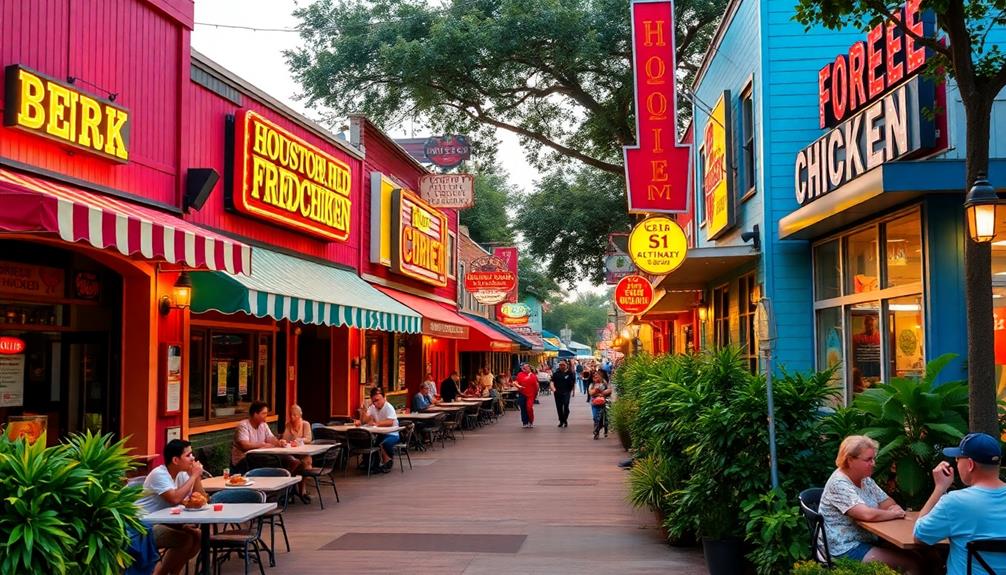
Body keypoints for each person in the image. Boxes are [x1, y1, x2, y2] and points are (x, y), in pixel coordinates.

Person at [819, 436, 924, 574]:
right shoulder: (839, 483)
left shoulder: (865, 480)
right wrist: (893, 513)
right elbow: (865, 514)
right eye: (868, 459)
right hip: (844, 548)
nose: (874, 463)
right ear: (850, 460)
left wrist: (891, 509)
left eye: (873, 458)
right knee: (912, 564)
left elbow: (889, 503)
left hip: (868, 539)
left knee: (924, 557)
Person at [914, 432, 1006, 575]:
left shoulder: (955, 502)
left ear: (970, 464)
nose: (956, 463)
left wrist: (939, 488)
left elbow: (920, 537)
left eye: (957, 459)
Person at [136, 439, 204, 575]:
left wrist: (195, 477)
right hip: (143, 526)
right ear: (175, 460)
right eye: (188, 455)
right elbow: (175, 498)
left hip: (164, 521)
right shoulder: (159, 474)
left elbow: (201, 498)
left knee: (198, 535)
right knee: (185, 540)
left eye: (192, 454)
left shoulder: (183, 474)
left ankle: (174, 572)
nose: (193, 458)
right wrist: (194, 475)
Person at [231, 401, 294, 474]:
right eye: (263, 413)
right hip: (244, 459)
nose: (266, 415)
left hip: (260, 455)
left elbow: (271, 438)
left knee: (284, 458)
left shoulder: (263, 425)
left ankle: (291, 471)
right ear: (255, 414)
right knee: (274, 462)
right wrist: (263, 445)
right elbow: (245, 445)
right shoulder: (243, 426)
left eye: (266, 413)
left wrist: (279, 442)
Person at [358, 387, 400, 472]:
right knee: (369, 442)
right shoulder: (372, 407)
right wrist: (363, 412)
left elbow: (390, 422)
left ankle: (387, 462)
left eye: (377, 400)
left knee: (383, 443)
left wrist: (376, 423)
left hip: (392, 433)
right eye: (374, 401)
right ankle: (371, 464)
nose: (376, 403)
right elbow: (364, 421)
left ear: (384, 398)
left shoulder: (388, 407)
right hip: (380, 434)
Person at [282, 404, 313, 502]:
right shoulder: (288, 424)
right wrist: (283, 441)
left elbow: (308, 438)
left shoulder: (305, 424)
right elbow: (285, 439)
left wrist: (299, 440)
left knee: (304, 464)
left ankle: (302, 491)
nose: (292, 417)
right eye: (291, 414)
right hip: (291, 454)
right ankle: (291, 490)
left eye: (295, 415)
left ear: (300, 415)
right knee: (288, 462)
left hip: (303, 454)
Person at [851, 315, 881, 389]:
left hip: (878, 373)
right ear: (865, 325)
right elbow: (853, 356)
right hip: (862, 373)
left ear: (875, 325)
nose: (870, 327)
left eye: (872, 325)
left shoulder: (881, 337)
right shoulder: (856, 338)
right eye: (868, 325)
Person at [550, 360, 576, 428]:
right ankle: (561, 421)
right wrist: (553, 389)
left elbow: (573, 383)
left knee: (566, 406)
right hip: (557, 392)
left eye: (563, 365)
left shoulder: (570, 373)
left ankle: (564, 419)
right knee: (559, 407)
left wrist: (573, 392)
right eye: (560, 365)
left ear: (566, 365)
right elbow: (552, 382)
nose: (562, 366)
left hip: (567, 392)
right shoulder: (556, 373)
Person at [587, 370, 611, 439]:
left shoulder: (604, 383)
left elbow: (609, 390)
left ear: (601, 376)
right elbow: (591, 393)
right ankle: (597, 431)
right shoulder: (592, 384)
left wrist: (601, 393)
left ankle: (597, 432)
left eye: (597, 375)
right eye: (594, 376)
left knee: (603, 418)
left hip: (604, 402)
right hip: (594, 403)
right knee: (595, 417)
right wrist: (597, 391)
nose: (595, 377)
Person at [515, 362, 538, 428]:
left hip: (531, 395)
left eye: (526, 367)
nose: (524, 368)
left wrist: (535, 394)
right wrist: (519, 386)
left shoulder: (533, 376)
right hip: (522, 393)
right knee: (523, 408)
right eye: (523, 367)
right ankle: (525, 422)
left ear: (529, 368)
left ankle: (530, 421)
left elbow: (536, 386)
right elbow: (516, 383)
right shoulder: (520, 374)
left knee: (529, 408)